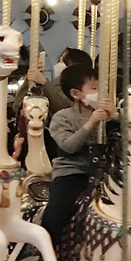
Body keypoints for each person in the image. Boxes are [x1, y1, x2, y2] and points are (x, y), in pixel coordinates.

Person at [43, 63, 111, 247]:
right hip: (72, 173)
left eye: (102, 88)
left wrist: (115, 119)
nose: (100, 93)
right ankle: (44, 249)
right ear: (76, 94)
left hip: (103, 174)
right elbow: (69, 145)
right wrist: (91, 122)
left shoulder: (107, 118)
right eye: (94, 89)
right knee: (58, 211)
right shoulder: (63, 117)